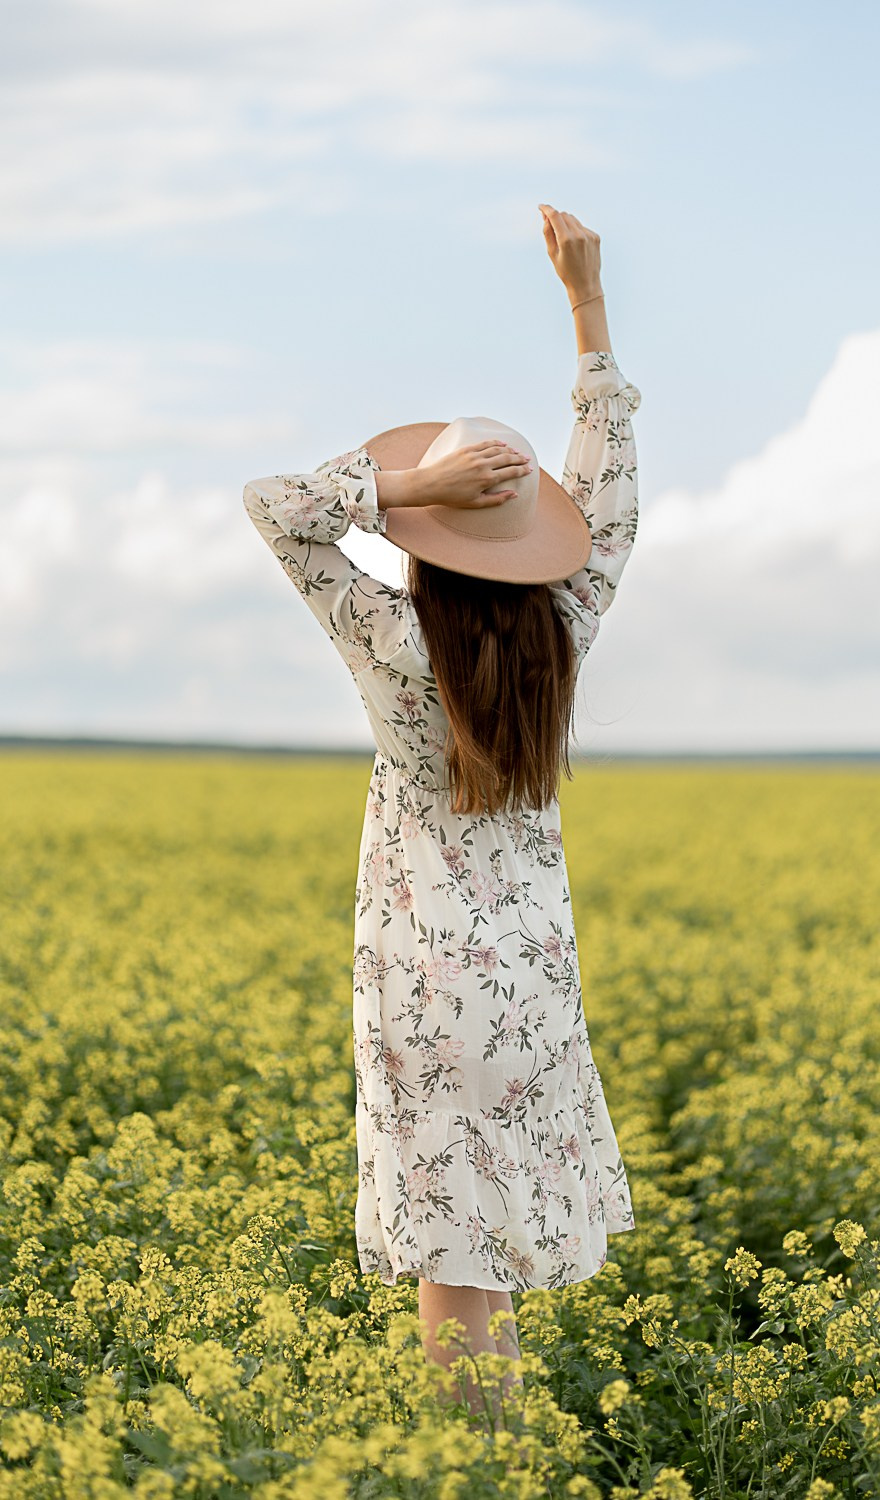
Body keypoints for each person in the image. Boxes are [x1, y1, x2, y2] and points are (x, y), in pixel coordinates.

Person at [242, 203, 641, 1423]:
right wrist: (587, 310)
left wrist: (400, 484)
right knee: (489, 1259)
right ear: (532, 548)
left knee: (452, 1272)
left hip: (425, 986)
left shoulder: (393, 638)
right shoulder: (564, 630)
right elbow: (611, 492)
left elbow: (275, 506)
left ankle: (476, 1465)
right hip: (533, 981)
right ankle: (501, 1452)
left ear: (427, 542)